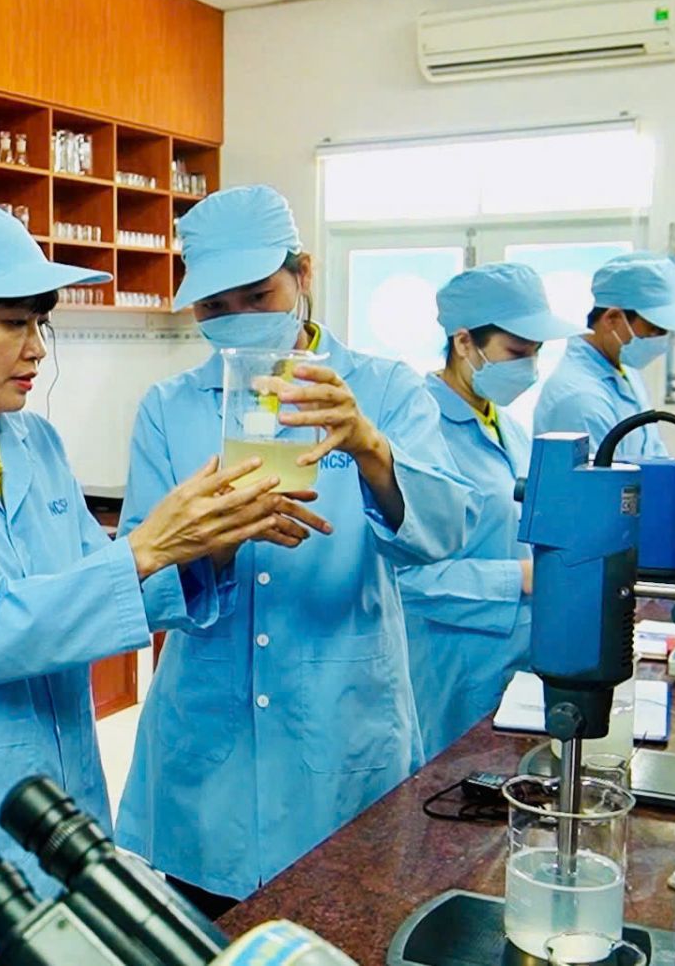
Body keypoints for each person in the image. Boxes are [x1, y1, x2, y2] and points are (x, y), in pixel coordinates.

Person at [0, 206, 330, 965]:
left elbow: (97, 589)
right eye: (14, 323)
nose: (37, 348)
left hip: (60, 801)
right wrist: (146, 547)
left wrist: (208, 547)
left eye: (41, 323)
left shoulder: (34, 442)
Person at [113, 184, 472, 917]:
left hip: (342, 734)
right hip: (207, 753)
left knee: (348, 929)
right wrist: (212, 545)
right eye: (216, 306)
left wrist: (368, 446)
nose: (240, 319)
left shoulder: (384, 388)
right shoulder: (170, 409)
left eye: (257, 295)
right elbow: (137, 585)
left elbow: (444, 534)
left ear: (303, 273)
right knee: (211, 938)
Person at [399, 263, 585, 759]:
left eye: (537, 351)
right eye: (517, 352)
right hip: (448, 671)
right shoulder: (416, 429)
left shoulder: (509, 430)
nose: (530, 366)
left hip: (514, 666)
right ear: (464, 342)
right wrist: (517, 578)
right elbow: (400, 581)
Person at [534, 252, 675, 459]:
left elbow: (653, 453)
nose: (661, 339)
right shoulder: (580, 399)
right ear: (612, 318)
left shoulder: (623, 369)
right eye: (654, 328)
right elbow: (601, 479)